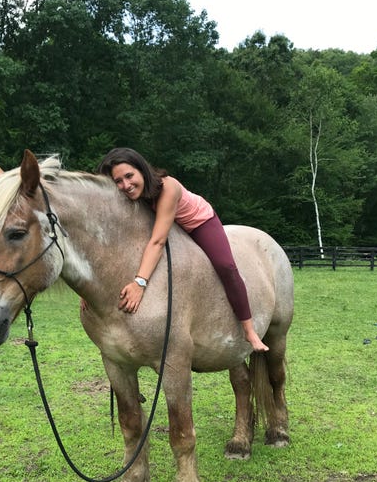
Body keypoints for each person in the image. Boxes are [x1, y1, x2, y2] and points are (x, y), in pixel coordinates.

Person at [96, 147, 269, 352]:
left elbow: (158, 242)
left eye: (129, 176)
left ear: (141, 169)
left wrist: (140, 283)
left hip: (198, 223)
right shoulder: (129, 195)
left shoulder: (168, 187)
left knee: (226, 266)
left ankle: (249, 331)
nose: (126, 185)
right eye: (118, 181)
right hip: (170, 226)